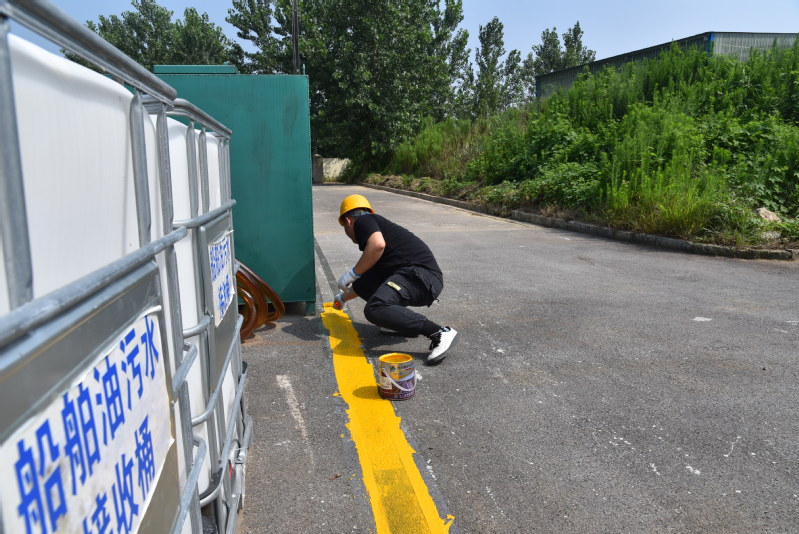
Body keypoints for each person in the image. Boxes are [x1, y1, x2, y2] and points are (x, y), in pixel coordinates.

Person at [332, 194, 458, 363]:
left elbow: (377, 245)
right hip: (419, 278)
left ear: (348, 221)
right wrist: (342, 298)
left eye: (344, 227)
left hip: (420, 276)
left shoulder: (364, 220)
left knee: (375, 307)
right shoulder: (385, 245)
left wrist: (352, 273)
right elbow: (363, 284)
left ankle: (439, 332)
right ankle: (399, 324)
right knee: (365, 284)